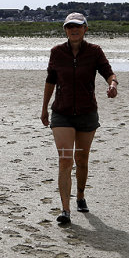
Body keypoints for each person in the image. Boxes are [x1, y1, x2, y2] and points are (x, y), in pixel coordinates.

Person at [40, 12, 118, 224]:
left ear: (85, 29)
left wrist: (112, 85)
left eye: (78, 26)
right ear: (65, 30)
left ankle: (81, 195)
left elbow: (108, 72)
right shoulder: (56, 52)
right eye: (69, 27)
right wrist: (44, 108)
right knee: (65, 160)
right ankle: (65, 209)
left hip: (86, 114)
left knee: (81, 160)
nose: (74, 30)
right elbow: (50, 80)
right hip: (62, 114)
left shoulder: (94, 51)